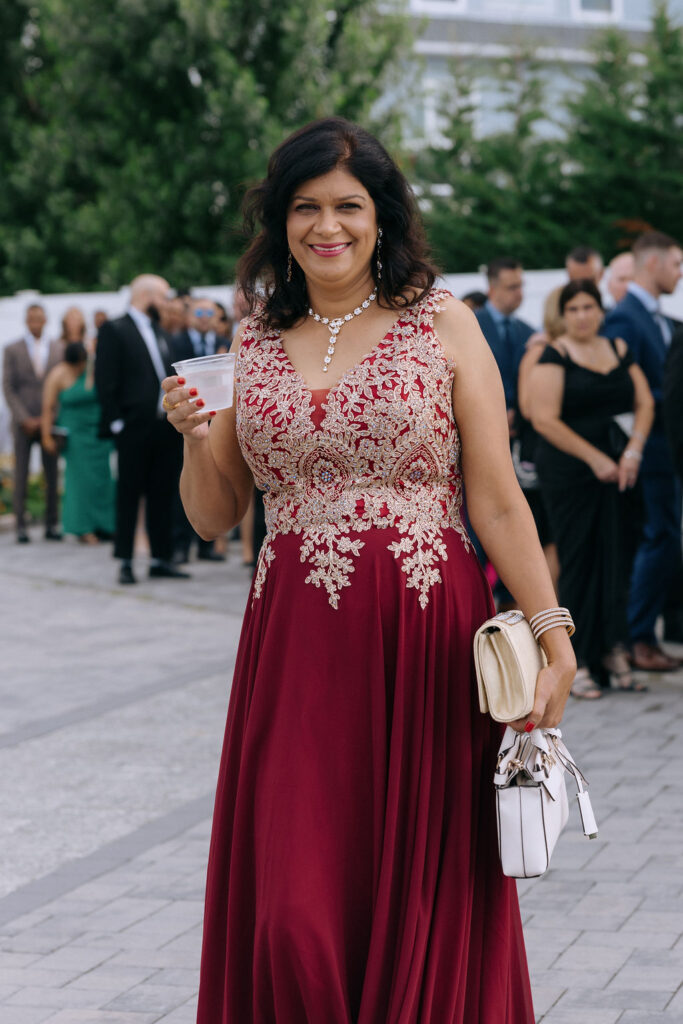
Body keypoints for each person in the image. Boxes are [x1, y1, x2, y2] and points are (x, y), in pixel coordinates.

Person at [162, 117, 576, 1022]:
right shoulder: (253, 340)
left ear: (381, 216)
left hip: (423, 640)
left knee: (418, 899)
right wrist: (197, 438)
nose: (327, 227)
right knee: (291, 919)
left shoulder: (445, 322)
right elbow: (216, 512)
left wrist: (552, 633)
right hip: (294, 655)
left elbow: (498, 499)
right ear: (279, 223)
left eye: (347, 206)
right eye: (304, 208)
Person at [530, 279, 654, 698]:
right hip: (570, 472)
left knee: (617, 559)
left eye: (589, 307)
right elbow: (544, 418)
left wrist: (634, 450)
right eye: (574, 309)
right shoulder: (554, 354)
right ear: (564, 315)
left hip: (621, 470)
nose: (583, 315)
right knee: (579, 561)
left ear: (601, 310)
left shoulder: (618, 348)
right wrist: (594, 458)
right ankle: (576, 660)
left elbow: (645, 403)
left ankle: (613, 651)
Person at [603, 231, 683, 671]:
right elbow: (620, 390)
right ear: (652, 264)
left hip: (664, 450)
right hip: (647, 451)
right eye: (676, 264)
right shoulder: (626, 318)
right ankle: (637, 637)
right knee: (658, 540)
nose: (680, 272)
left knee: (665, 538)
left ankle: (641, 634)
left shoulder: (656, 316)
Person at [94, 274, 190, 584]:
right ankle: (125, 559)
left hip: (163, 427)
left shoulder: (160, 332)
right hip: (132, 427)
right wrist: (118, 423)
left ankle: (160, 558)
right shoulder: (114, 328)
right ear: (147, 296)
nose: (166, 304)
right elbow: (104, 379)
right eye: (163, 297)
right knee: (129, 493)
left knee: (162, 492)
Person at [41, 341, 115, 543]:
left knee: (103, 479)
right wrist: (46, 436)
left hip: (97, 432)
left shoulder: (93, 368)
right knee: (79, 482)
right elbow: (48, 407)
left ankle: (105, 524)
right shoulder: (57, 374)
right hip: (75, 436)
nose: (79, 369)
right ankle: (83, 528)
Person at [2, 304, 64, 543]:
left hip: (50, 421)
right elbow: (8, 387)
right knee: (21, 474)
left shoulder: (58, 348)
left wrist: (50, 417)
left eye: (39, 318)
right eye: (31, 319)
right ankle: (21, 526)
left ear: (45, 320)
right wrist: (23, 417)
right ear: (26, 321)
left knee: (51, 473)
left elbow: (62, 387)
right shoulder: (12, 349)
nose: (36, 322)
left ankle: (51, 524)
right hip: (23, 423)